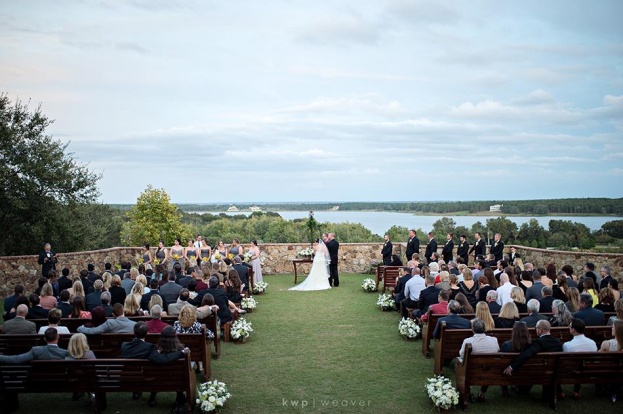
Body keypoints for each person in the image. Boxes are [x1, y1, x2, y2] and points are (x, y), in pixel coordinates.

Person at [121, 322, 190, 405]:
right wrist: (182, 352)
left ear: (134, 332)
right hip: (144, 379)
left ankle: (136, 392)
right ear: (147, 333)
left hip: (126, 378)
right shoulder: (149, 348)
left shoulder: (124, 345)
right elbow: (163, 360)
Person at [503, 320, 562, 404]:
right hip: (555, 372)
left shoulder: (539, 342)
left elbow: (527, 354)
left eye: (536, 328)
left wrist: (511, 367)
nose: (535, 329)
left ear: (540, 330)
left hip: (539, 372)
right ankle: (559, 390)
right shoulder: (558, 342)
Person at [458, 318, 499, 402]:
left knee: (458, 363)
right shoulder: (494, 340)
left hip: (472, 371)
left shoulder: (467, 341)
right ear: (485, 329)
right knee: (488, 366)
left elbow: (461, 354)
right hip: (490, 371)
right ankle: (482, 393)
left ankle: (469, 393)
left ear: (472, 329)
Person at [147, 326, 189, 408]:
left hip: (157, 378)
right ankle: (180, 397)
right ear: (175, 336)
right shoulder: (181, 350)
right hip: (176, 380)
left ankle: (152, 397)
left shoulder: (155, 350)